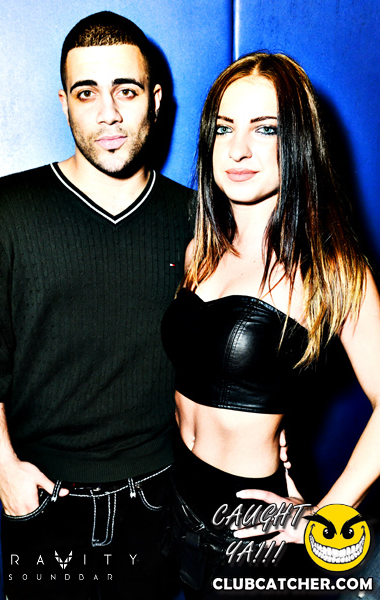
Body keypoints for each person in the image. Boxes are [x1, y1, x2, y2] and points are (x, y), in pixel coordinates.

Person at [0, 11, 193, 600]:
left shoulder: (196, 219)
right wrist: (3, 467)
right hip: (44, 501)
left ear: (155, 100)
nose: (109, 114)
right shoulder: (6, 210)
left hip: (161, 501)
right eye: (86, 92)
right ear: (64, 103)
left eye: (126, 91)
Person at [161, 51, 380, 598]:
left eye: (266, 129)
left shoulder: (329, 270)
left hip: (250, 527)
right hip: (176, 495)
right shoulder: (200, 249)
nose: (238, 149)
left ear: (298, 141)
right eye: (224, 128)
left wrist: (329, 514)